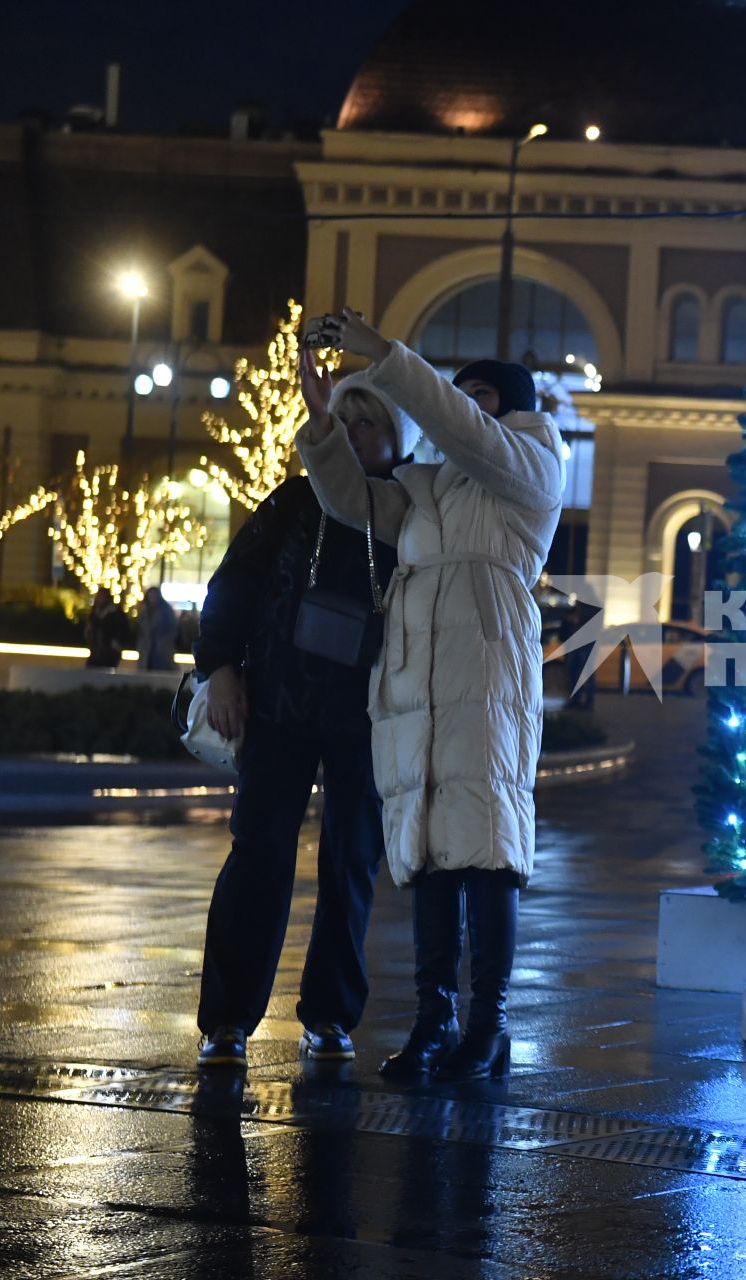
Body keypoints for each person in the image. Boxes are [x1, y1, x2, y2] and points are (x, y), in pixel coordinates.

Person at [299, 310, 564, 1082]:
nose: (467, 406)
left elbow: (470, 435)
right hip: (416, 681)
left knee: (485, 851)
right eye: (462, 393)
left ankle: (489, 1024)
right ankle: (433, 1019)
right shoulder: (425, 488)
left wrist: (387, 359)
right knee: (426, 854)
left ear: (514, 408)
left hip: (484, 673)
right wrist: (322, 424)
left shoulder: (532, 462)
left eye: (482, 395)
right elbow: (349, 499)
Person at [191, 371, 409, 1069]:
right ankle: (227, 1020)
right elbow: (232, 584)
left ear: (392, 437)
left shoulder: (407, 511)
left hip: (366, 713)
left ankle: (331, 1016)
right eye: (342, 421)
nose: (351, 434)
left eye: (367, 422)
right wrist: (219, 667)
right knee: (257, 855)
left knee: (352, 863)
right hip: (280, 702)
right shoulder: (292, 500)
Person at [82, 588, 130, 668]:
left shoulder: (115, 613)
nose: (99, 599)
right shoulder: (95, 613)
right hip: (96, 651)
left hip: (110, 652)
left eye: (102, 597)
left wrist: (116, 645)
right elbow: (91, 629)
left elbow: (123, 631)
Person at [137, 586, 179, 672]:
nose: (153, 598)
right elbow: (140, 631)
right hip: (147, 650)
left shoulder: (166, 611)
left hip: (162, 650)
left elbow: (173, 630)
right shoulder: (144, 612)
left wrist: (164, 641)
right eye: (151, 596)